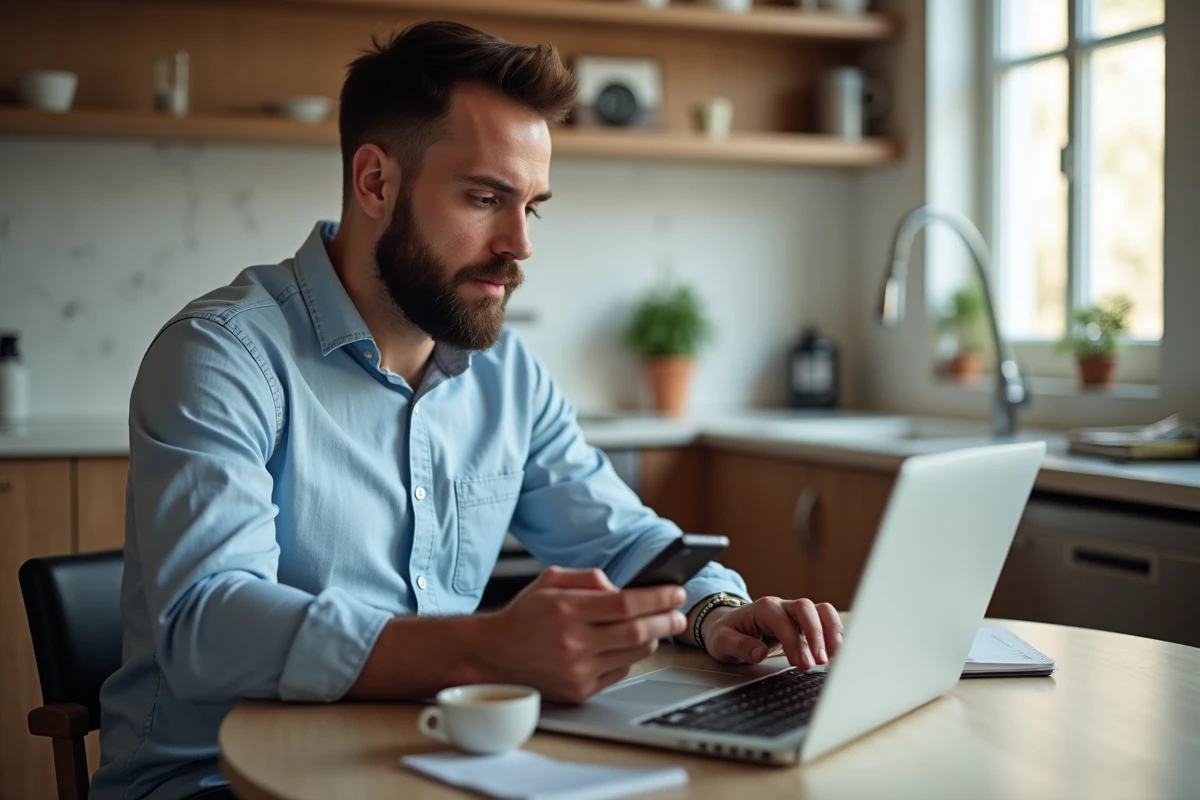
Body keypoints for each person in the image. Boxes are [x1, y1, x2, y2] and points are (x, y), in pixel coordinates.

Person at [91, 21, 845, 800]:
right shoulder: (223, 357)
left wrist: (718, 609)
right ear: (376, 183)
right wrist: (487, 649)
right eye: (486, 198)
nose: (519, 244)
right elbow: (209, 627)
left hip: (421, 761)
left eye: (532, 208)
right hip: (215, 781)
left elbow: (624, 540)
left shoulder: (506, 374)